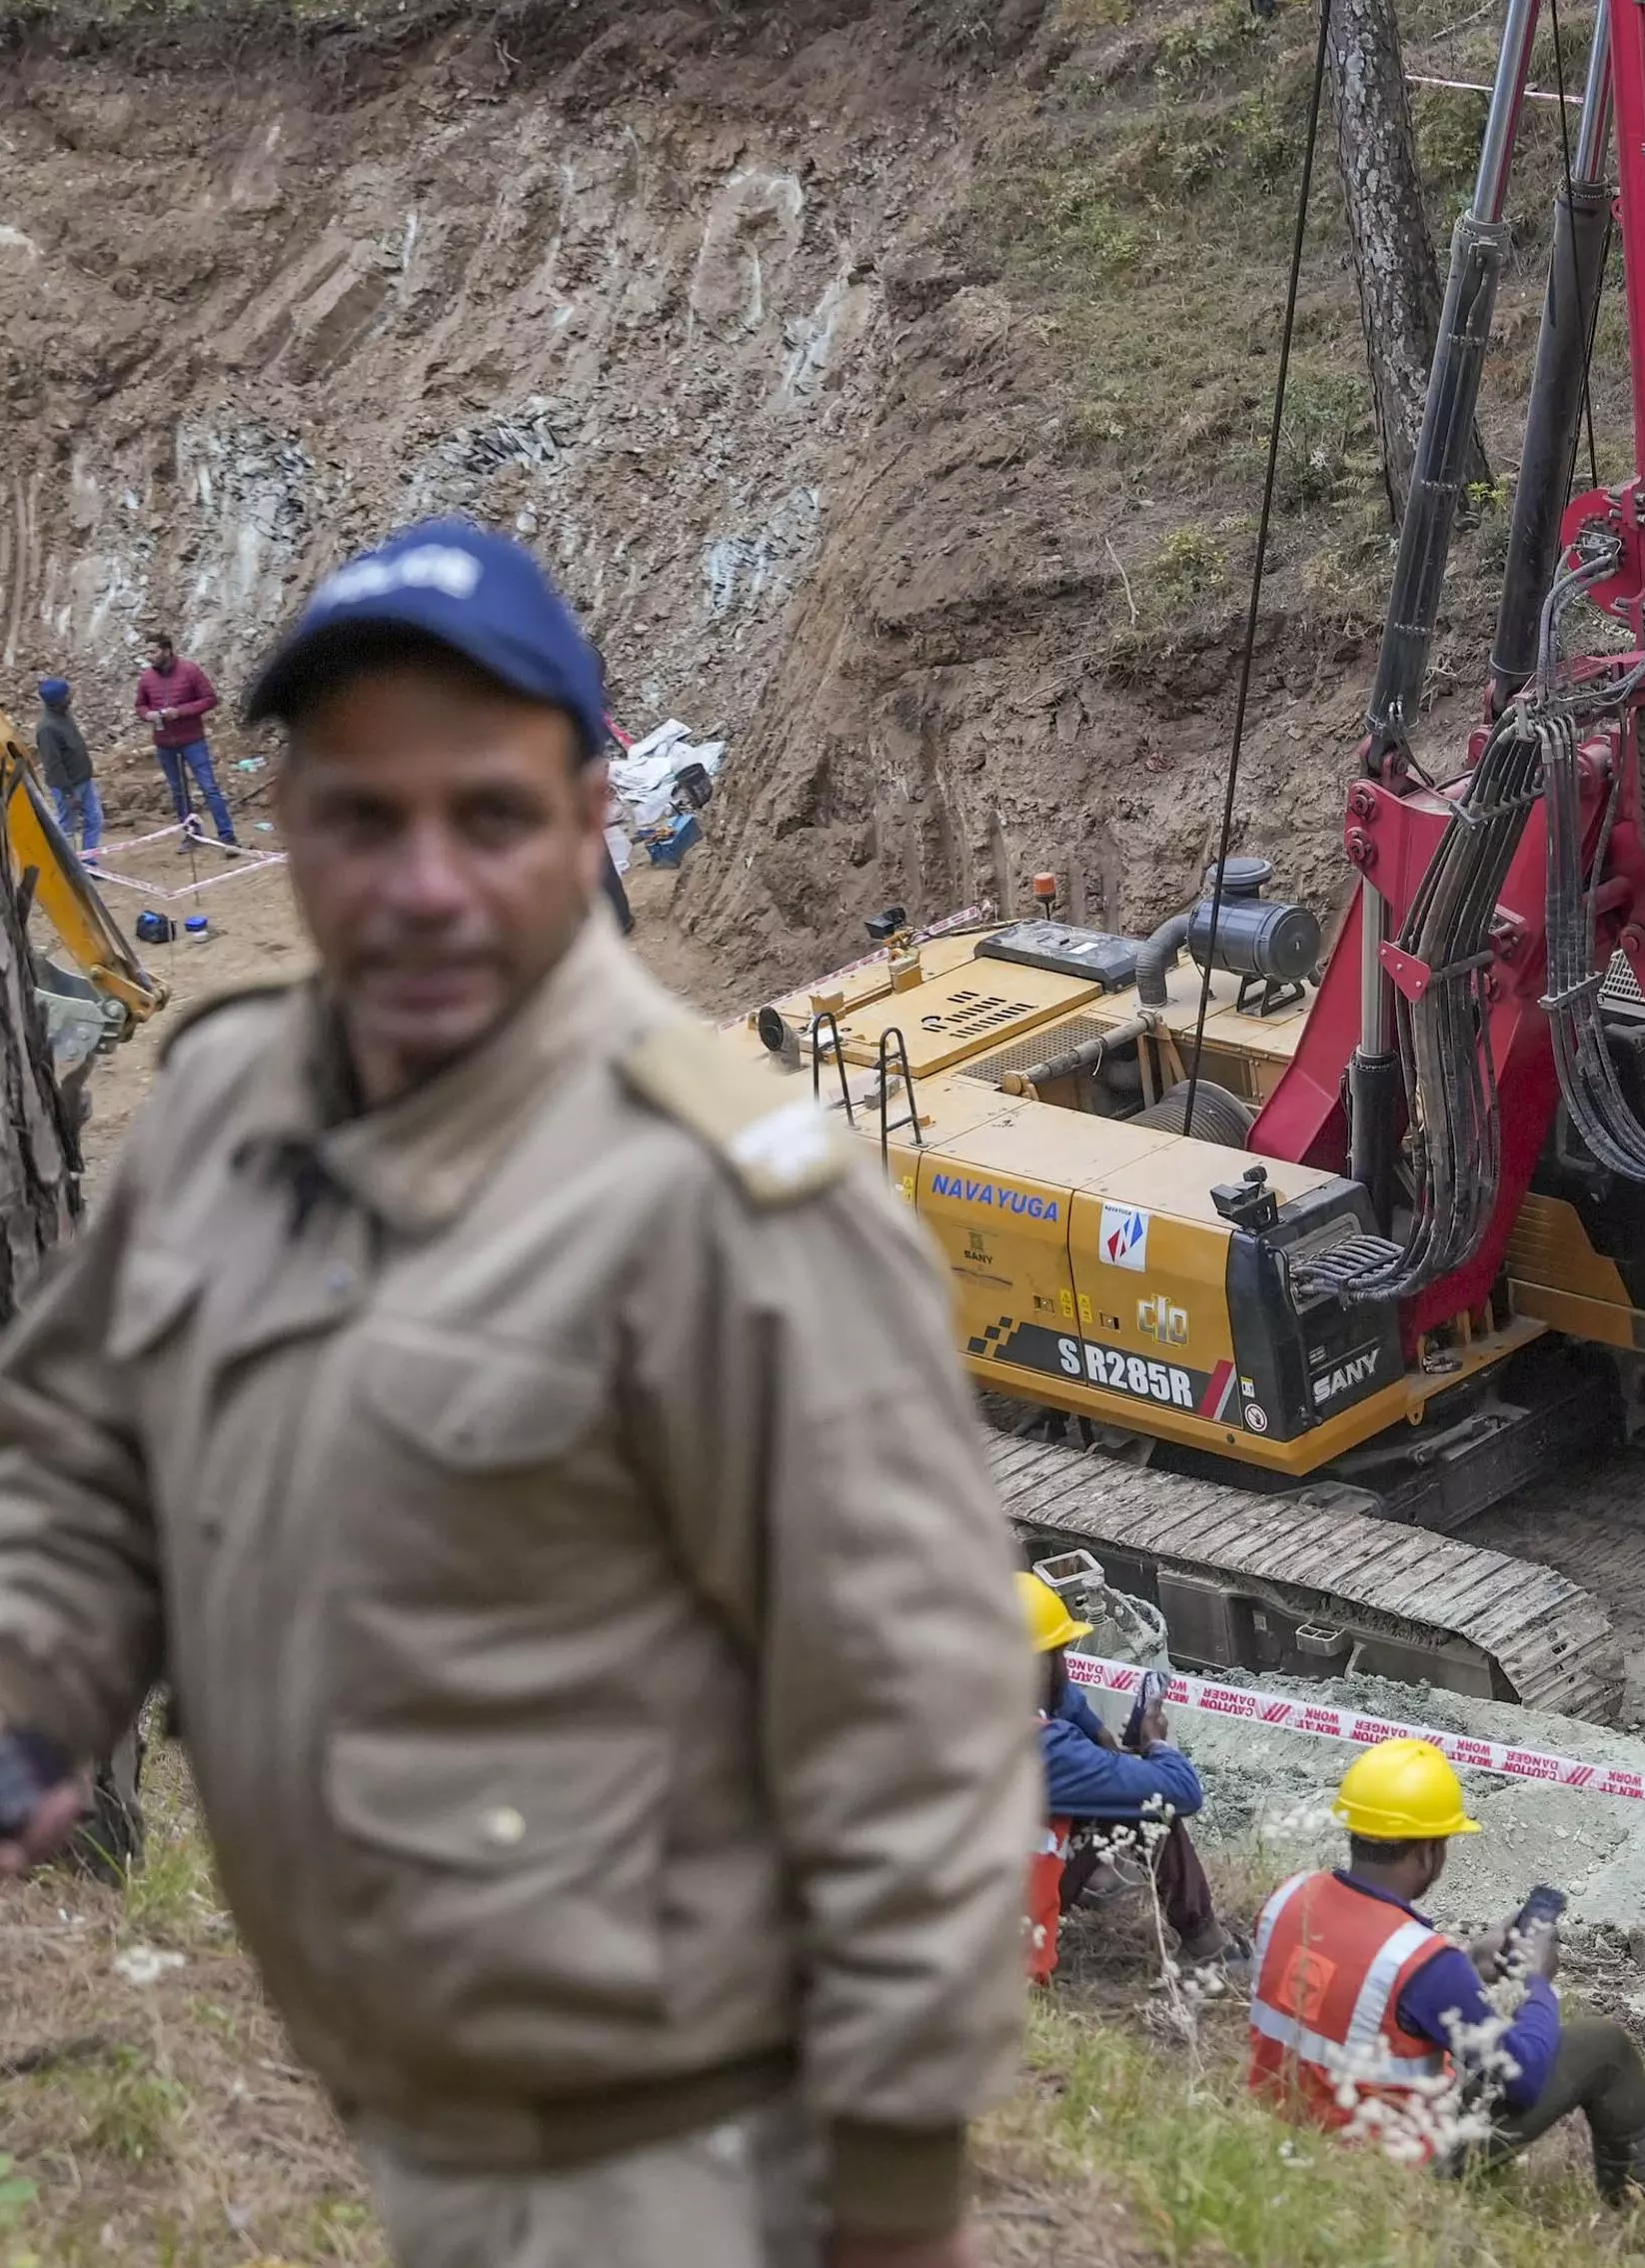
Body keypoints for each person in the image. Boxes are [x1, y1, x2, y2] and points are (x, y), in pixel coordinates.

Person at [0, 519, 1038, 2268]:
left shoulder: (735, 1213)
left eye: (485, 815)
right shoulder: (233, 1111)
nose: (420, 880)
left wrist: (892, 2193)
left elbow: (917, 1736)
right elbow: (91, 1440)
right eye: (358, 814)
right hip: (411, 2073)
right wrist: (37, 1696)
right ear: (295, 832)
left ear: (582, 829)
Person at [1247, 1736, 1645, 2208]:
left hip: (1286, 2125)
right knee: (1605, 2045)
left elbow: (1367, 1992)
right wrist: (1538, 1982)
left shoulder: (1291, 1898)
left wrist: (1469, 1965)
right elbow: (1524, 2076)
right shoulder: (1424, 1964)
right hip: (1384, 2158)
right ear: (1427, 1853)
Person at [1020, 1572, 1232, 1978]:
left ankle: (1098, 1876)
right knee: (1151, 1808)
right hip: (997, 1960)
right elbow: (1180, 1791)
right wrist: (1155, 1745)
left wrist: (1101, 1740)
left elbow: (1062, 1698)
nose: (1066, 1665)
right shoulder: (1042, 1750)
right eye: (1059, 1653)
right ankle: (1207, 1944)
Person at [132, 629, 238, 847]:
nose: (148, 656)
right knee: (178, 791)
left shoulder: (190, 671)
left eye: (153, 651)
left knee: (209, 787)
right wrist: (148, 714)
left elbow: (209, 699)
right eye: (147, 652)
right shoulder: (147, 678)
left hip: (192, 740)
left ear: (167, 651)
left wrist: (180, 711)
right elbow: (140, 705)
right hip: (164, 744)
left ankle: (227, 835)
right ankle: (191, 834)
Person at [32, 681, 99, 855]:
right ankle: (65, 869)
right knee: (67, 828)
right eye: (67, 694)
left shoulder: (64, 715)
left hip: (83, 780)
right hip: (68, 787)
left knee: (94, 820)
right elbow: (53, 764)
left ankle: (89, 862)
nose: (71, 696)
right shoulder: (47, 728)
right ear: (58, 700)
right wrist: (69, 793)